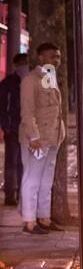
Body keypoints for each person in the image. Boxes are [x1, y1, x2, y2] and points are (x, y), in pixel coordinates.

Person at [19, 43, 66, 235]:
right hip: (37, 139)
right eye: (52, 56)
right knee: (32, 179)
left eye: (58, 57)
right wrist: (34, 137)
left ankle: (44, 218)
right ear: (40, 58)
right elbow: (27, 112)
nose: (56, 60)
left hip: (52, 138)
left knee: (46, 180)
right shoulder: (31, 80)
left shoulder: (49, 78)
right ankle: (29, 222)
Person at [0, 53, 27, 205]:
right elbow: (2, 107)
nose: (24, 66)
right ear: (15, 65)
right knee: (11, 162)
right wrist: (6, 126)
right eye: (21, 63)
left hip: (27, 128)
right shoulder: (8, 84)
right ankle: (10, 194)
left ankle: (21, 194)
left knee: (23, 163)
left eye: (26, 63)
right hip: (13, 129)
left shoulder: (30, 81)